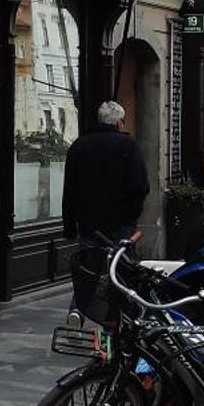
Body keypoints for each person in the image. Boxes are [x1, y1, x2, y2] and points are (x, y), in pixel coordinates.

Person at [60, 100, 149, 323]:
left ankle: (77, 311)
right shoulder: (127, 146)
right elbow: (140, 186)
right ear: (119, 121)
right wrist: (133, 215)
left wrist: (69, 225)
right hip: (121, 223)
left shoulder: (78, 147)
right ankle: (119, 317)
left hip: (89, 223)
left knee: (88, 273)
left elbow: (69, 190)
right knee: (122, 271)